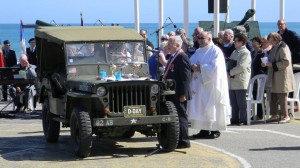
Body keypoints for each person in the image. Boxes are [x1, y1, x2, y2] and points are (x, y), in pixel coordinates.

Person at [188, 31, 230, 139]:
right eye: (199, 38)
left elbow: (216, 68)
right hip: (200, 85)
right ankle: (204, 129)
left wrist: (201, 67)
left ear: (209, 39)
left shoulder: (215, 51)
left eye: (202, 38)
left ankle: (215, 129)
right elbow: (191, 61)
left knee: (212, 106)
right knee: (201, 106)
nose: (200, 40)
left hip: (211, 84)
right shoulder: (198, 51)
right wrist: (193, 66)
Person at [164, 36, 191, 149]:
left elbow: (185, 78)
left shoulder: (182, 57)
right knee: (176, 117)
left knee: (181, 116)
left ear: (178, 45)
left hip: (179, 92)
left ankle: (184, 140)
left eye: (171, 43)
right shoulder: (173, 56)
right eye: (169, 42)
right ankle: (178, 139)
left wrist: (183, 94)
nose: (168, 45)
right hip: (172, 92)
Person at [264, 32, 295, 123]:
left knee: (282, 97)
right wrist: (266, 63)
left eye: (271, 41)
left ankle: (285, 116)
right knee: (273, 96)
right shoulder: (275, 47)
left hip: (282, 76)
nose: (270, 43)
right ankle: (275, 115)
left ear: (276, 39)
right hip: (274, 75)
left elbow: (286, 62)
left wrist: (272, 65)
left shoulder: (283, 47)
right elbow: (272, 60)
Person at [227, 33, 252, 125]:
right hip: (232, 80)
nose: (234, 42)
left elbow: (242, 66)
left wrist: (230, 72)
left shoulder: (245, 52)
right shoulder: (234, 52)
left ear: (242, 42)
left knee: (241, 103)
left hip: (240, 80)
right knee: (233, 102)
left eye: (237, 41)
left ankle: (243, 119)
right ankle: (235, 119)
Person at [250, 36, 268, 120]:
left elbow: (265, 67)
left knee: (259, 96)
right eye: (252, 42)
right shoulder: (252, 53)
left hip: (260, 78)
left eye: (255, 43)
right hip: (253, 77)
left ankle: (260, 114)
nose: (253, 44)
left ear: (260, 44)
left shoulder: (263, 53)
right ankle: (255, 114)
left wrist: (259, 76)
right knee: (254, 95)